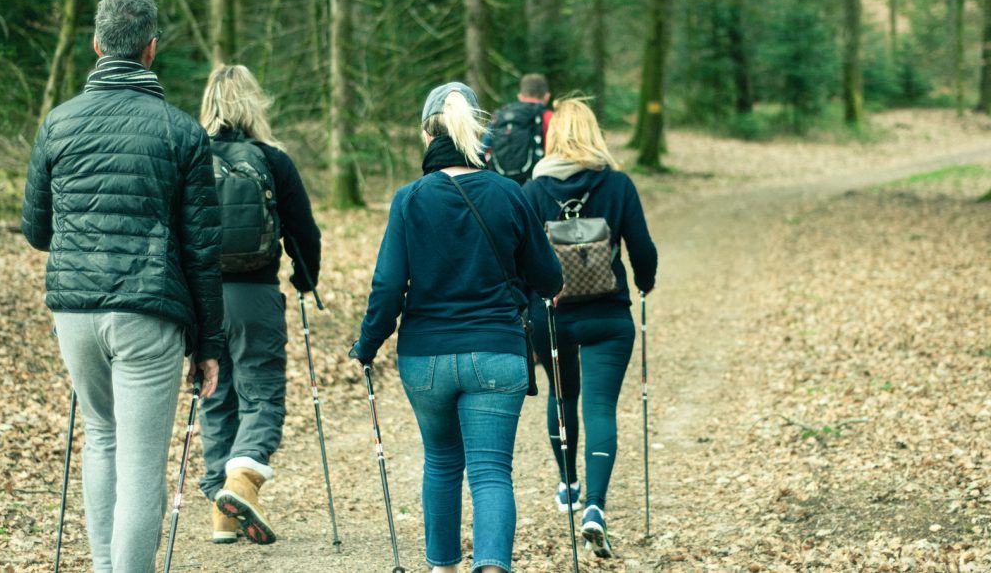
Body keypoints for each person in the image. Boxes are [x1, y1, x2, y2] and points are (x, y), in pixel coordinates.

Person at [21, 0, 223, 573]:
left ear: (96, 44)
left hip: (74, 313)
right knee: (140, 463)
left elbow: (37, 230)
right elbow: (201, 251)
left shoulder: (57, 123)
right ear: (151, 50)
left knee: (101, 437)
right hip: (146, 312)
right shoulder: (182, 133)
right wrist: (208, 344)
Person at [350, 82, 563, 573]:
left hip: (425, 359)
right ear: (478, 135)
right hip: (496, 353)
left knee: (442, 464)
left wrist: (367, 346)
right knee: (491, 473)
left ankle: (441, 568)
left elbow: (387, 287)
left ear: (428, 134)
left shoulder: (410, 200)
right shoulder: (509, 193)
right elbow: (548, 278)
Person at [522, 97, 658, 559]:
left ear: (553, 136)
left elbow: (519, 260)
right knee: (600, 408)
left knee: (562, 398)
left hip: (551, 314)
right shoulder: (617, 184)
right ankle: (595, 508)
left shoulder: (531, 190)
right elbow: (643, 249)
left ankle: (569, 484)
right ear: (595, 133)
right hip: (608, 315)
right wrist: (645, 282)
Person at [196, 65, 322, 545]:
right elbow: (303, 230)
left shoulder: (190, 156)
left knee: (214, 393)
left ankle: (222, 514)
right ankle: (242, 481)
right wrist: (305, 277)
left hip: (203, 299)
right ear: (254, 104)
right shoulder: (272, 159)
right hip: (256, 295)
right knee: (263, 394)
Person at [485, 73, 554, 185]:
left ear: (520, 97)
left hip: (502, 185)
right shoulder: (549, 118)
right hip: (537, 184)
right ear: (547, 97)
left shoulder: (499, 116)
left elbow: (484, 148)